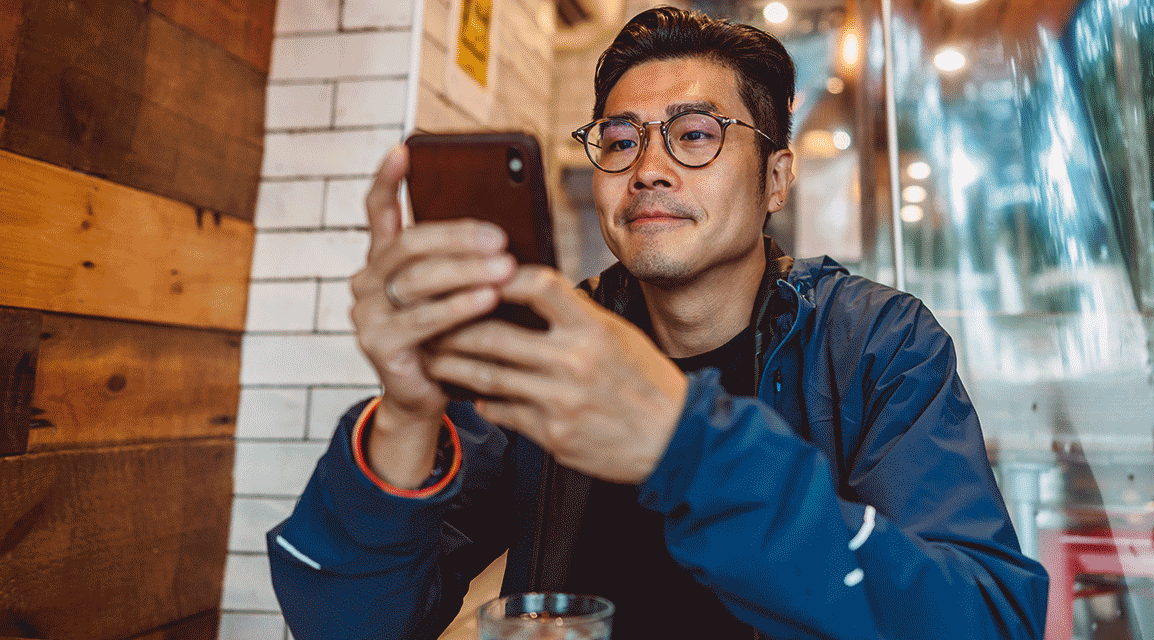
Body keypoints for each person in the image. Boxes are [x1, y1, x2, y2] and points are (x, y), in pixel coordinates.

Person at [267, 6, 1049, 639]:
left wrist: (684, 443)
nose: (648, 167)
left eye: (696, 134)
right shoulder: (554, 340)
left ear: (776, 178)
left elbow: (984, 618)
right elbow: (349, 623)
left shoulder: (877, 342)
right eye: (619, 139)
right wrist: (406, 412)